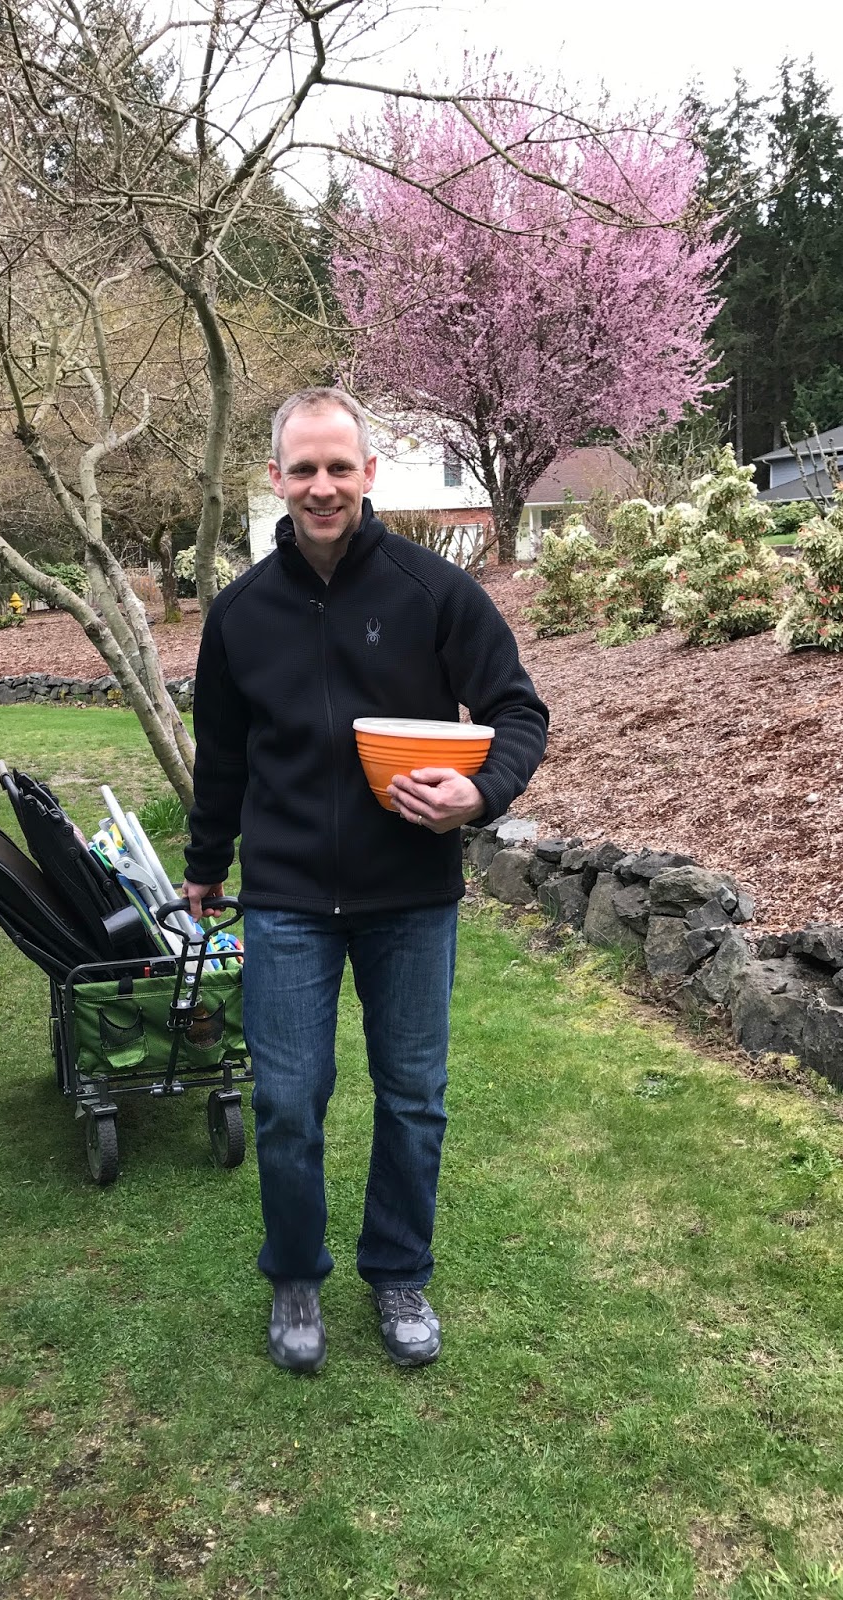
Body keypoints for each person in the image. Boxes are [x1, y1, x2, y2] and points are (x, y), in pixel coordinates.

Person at [181, 389, 548, 1373]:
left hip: (410, 896)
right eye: (303, 468)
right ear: (276, 478)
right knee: (287, 1101)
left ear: (369, 474)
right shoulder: (241, 613)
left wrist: (479, 793)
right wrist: (205, 865)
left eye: (339, 466)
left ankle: (398, 1272)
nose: (322, 486)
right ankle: (296, 1275)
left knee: (414, 1096)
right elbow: (223, 756)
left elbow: (519, 712)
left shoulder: (434, 592)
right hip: (288, 897)